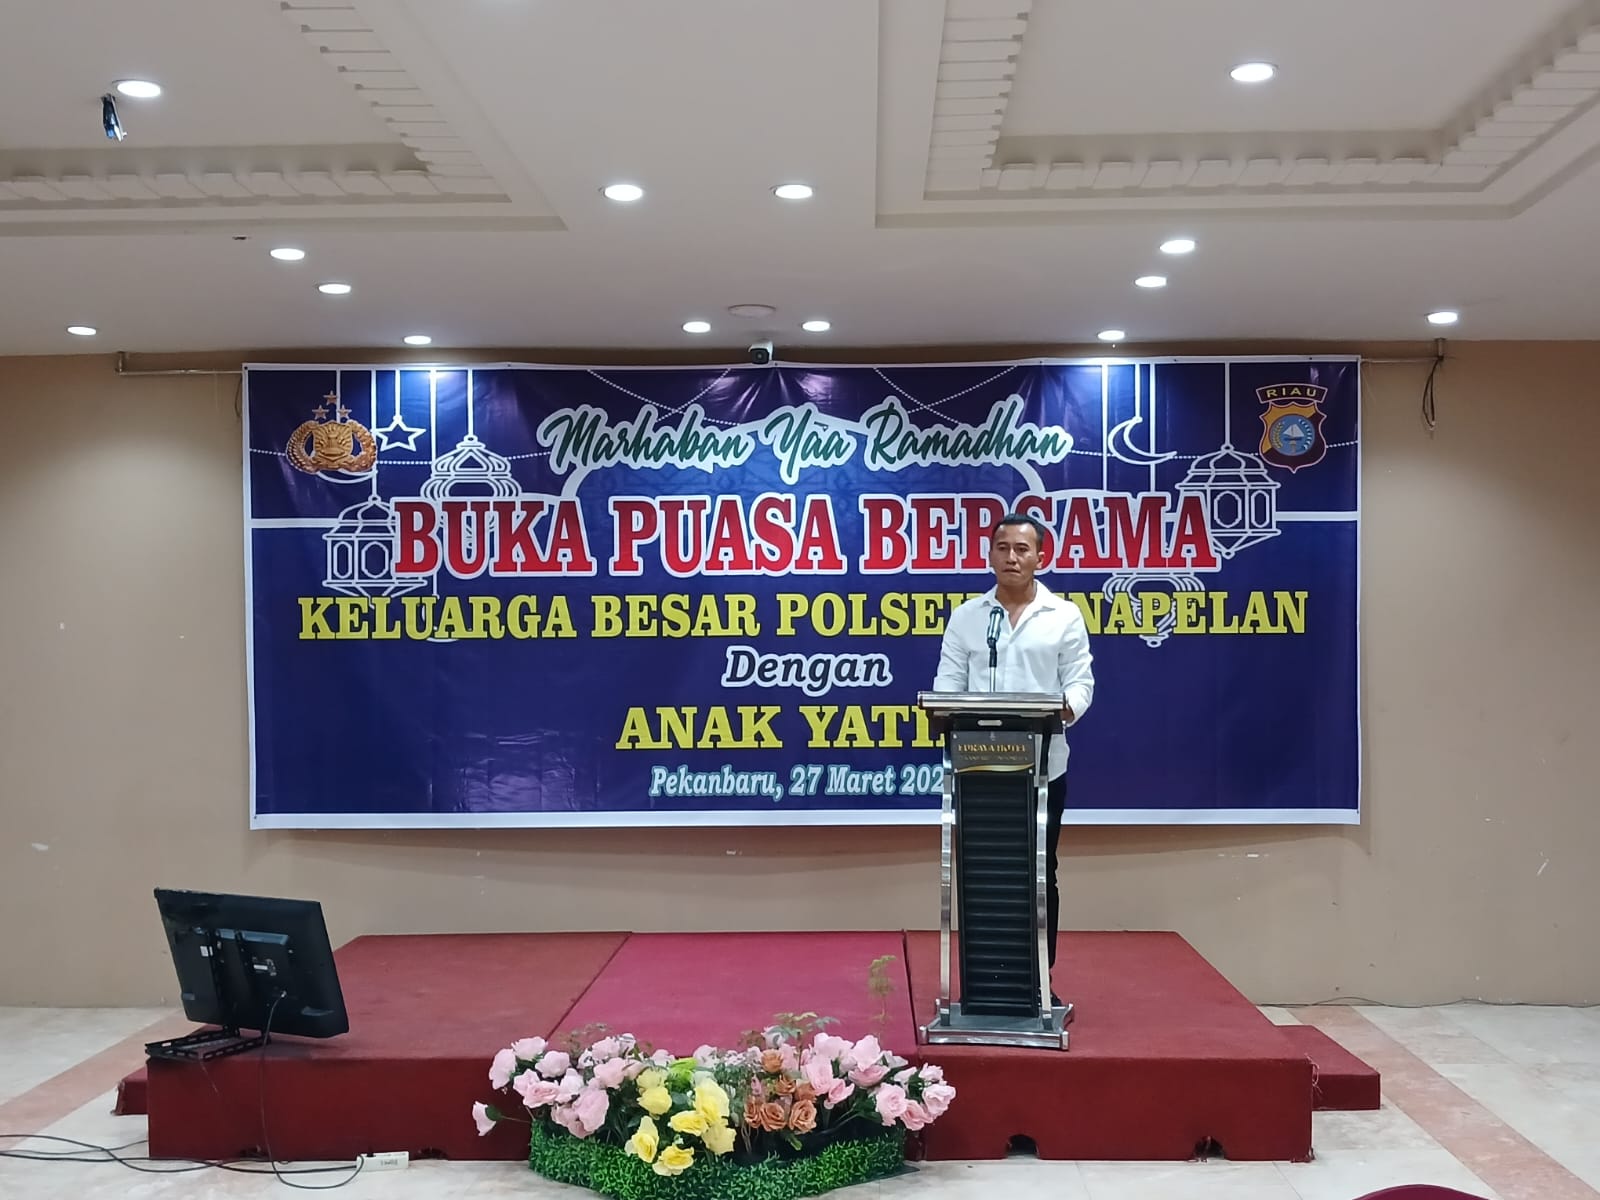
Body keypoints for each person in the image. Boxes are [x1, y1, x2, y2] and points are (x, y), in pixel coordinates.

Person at [931, 511, 1095, 997]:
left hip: (1043, 766)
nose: (1011, 557)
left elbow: (1080, 683)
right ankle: (985, 981)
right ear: (990, 555)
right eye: (1002, 548)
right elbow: (948, 683)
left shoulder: (1063, 615)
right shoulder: (968, 617)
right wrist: (945, 708)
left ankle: (1038, 980)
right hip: (978, 766)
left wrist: (1063, 708)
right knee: (982, 872)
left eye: (1022, 549)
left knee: (1039, 871)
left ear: (1040, 557)